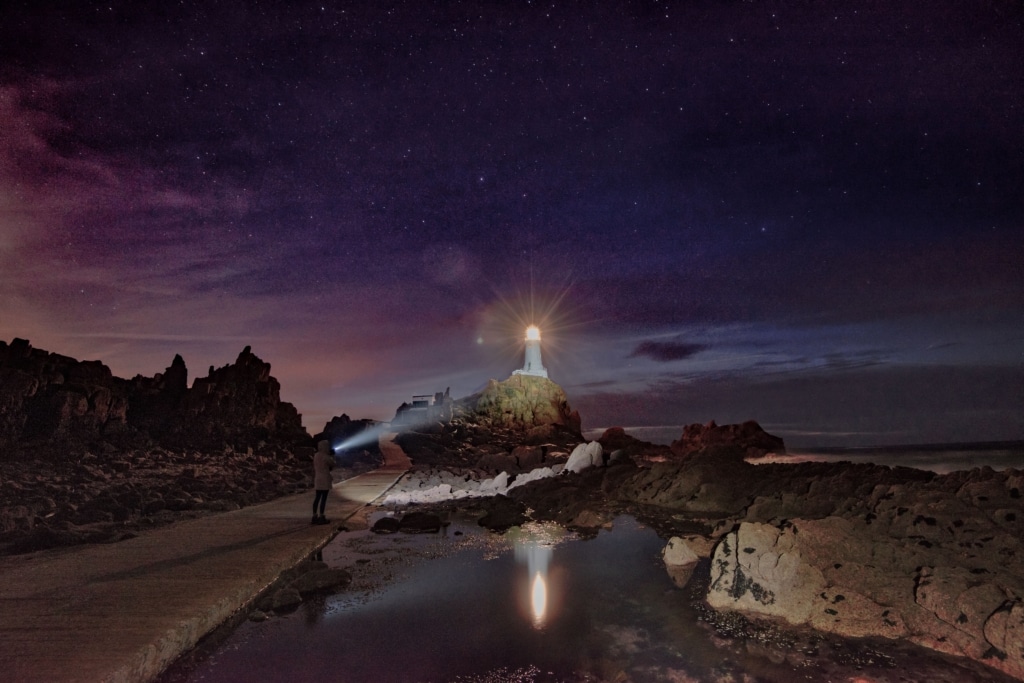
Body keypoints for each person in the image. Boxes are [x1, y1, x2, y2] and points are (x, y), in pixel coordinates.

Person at [312, 439, 335, 524]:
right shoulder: (326, 456)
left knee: (317, 498)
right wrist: (332, 456)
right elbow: (332, 464)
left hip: (318, 479)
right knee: (323, 499)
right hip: (325, 479)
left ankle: (314, 516)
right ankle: (322, 516)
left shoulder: (316, 455)